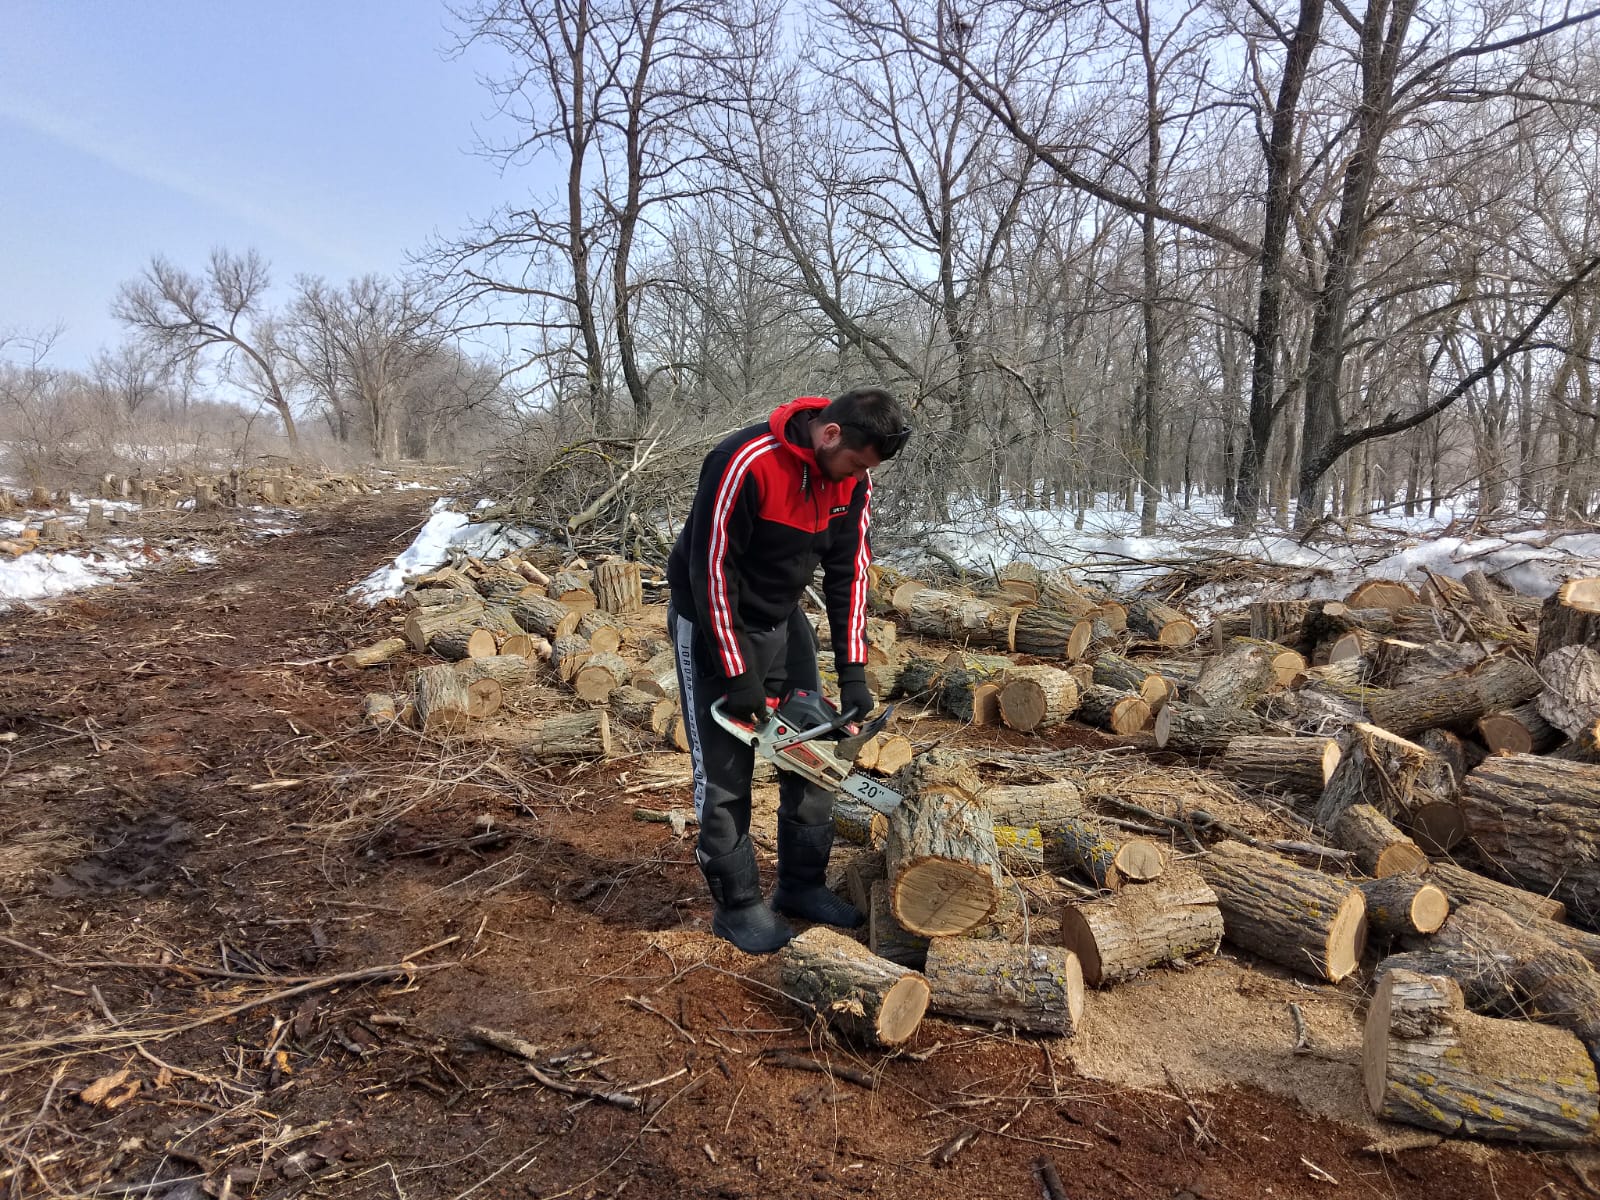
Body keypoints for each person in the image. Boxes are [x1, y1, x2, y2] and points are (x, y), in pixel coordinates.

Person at [666, 388, 912, 953]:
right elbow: (711, 572)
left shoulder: (855, 478)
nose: (858, 476)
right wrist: (736, 673)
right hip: (712, 619)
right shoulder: (744, 461)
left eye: (867, 469)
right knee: (725, 775)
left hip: (782, 618)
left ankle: (801, 885)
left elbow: (850, 572)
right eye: (855, 463)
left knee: (815, 750)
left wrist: (853, 671)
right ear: (830, 435)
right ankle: (738, 906)